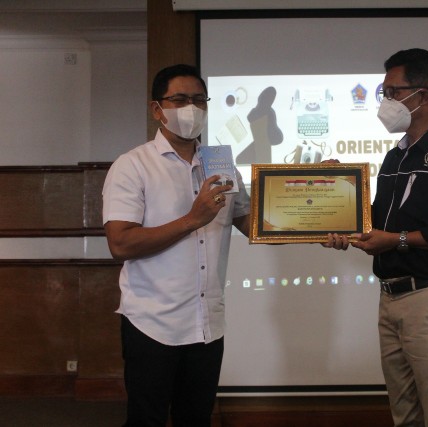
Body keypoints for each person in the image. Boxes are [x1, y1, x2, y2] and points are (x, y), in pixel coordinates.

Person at [326, 48, 428, 426]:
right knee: (406, 416)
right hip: (391, 299)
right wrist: (335, 191)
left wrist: (397, 240)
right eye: (383, 93)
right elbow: (376, 221)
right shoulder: (394, 157)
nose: (385, 102)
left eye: (392, 92)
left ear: (422, 96)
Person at [102, 64, 251, 427]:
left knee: (195, 420)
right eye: (180, 99)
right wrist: (191, 219)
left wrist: (315, 188)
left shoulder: (220, 163)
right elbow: (120, 243)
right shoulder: (132, 166)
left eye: (199, 100)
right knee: (146, 421)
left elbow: (253, 223)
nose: (192, 108)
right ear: (157, 109)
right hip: (152, 324)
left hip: (207, 325)